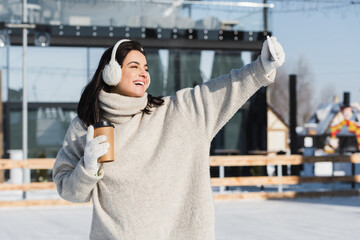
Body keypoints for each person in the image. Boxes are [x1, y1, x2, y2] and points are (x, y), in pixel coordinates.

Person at [53, 37, 285, 239]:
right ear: (111, 72)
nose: (143, 73)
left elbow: (222, 90)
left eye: (146, 67)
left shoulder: (179, 112)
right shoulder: (87, 126)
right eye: (134, 66)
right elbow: (70, 191)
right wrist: (88, 168)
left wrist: (260, 68)